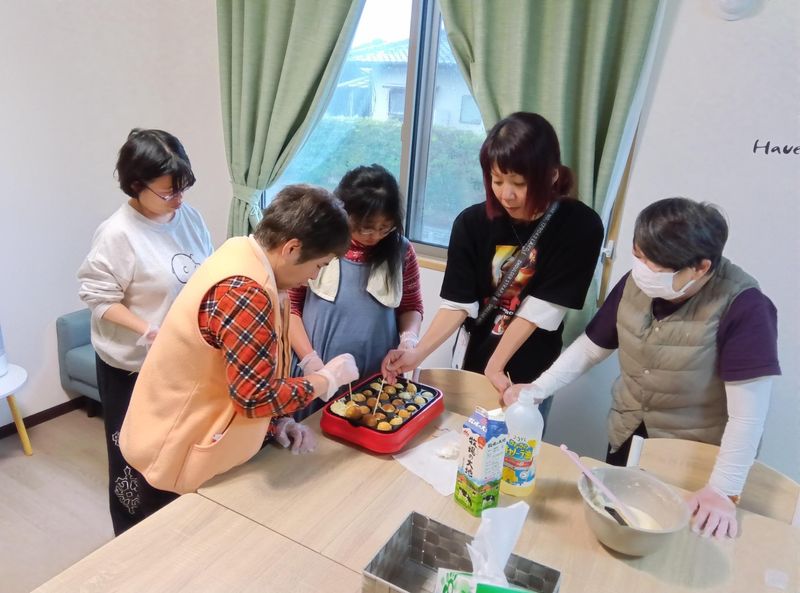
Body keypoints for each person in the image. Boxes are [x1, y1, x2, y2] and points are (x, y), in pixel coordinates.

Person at [504, 197, 781, 539]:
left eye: (656, 266)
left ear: (700, 268)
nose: (642, 270)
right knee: (619, 523)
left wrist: (723, 490)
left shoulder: (745, 307)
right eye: (638, 255)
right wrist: (538, 388)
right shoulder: (637, 282)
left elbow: (747, 417)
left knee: (674, 540)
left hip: (693, 458)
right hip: (629, 432)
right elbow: (591, 348)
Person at [119, 185, 359, 523]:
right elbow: (253, 397)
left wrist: (277, 422)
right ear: (291, 248)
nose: (313, 277)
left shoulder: (242, 253)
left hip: (188, 439)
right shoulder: (245, 291)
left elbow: (246, 371)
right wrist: (325, 380)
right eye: (319, 265)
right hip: (175, 453)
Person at [382, 112, 604, 427]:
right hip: (471, 358)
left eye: (519, 183)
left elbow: (542, 311)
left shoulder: (579, 226)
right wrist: (416, 354)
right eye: (497, 180)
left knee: (515, 448)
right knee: (461, 443)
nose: (506, 194)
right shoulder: (471, 223)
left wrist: (496, 366)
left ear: (552, 175)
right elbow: (458, 304)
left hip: (529, 374)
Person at [78, 128, 213, 535]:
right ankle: (133, 541)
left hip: (180, 362)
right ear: (136, 185)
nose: (179, 199)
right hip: (131, 368)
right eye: (169, 192)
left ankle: (173, 533)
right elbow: (99, 298)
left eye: (183, 187)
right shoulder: (118, 233)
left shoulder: (188, 217)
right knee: (133, 457)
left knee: (174, 451)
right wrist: (148, 330)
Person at [288, 164, 423, 419]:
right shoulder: (318, 244)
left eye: (385, 228)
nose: (375, 236)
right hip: (318, 367)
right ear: (344, 212)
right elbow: (290, 308)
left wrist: (409, 340)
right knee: (311, 432)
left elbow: (411, 306)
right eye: (366, 227)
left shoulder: (401, 251)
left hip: (375, 373)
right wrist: (309, 360)